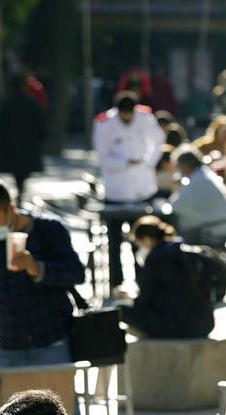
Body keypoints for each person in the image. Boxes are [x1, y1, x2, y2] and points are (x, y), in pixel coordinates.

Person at [0, 178, 86, 368]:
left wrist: (37, 268)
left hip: (52, 341)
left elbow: (76, 273)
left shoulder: (49, 229)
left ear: (11, 209)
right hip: (10, 345)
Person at [92, 91, 166, 288]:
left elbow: (159, 140)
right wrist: (126, 162)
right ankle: (116, 283)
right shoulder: (104, 123)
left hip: (141, 189)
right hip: (116, 190)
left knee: (142, 239)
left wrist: (149, 162)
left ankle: (143, 282)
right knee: (114, 242)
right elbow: (102, 156)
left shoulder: (145, 118)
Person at [119, 216, 215, 339]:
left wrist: (130, 297)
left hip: (178, 326)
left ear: (147, 240)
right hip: (205, 324)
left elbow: (143, 302)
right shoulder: (188, 252)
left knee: (120, 310)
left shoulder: (156, 260)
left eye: (139, 244)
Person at [0, 76, 46, 199]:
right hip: (27, 142)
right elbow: (39, 123)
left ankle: (19, 188)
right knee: (22, 169)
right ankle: (20, 188)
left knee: (17, 169)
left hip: (11, 142)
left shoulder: (7, 103)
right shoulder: (30, 103)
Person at [169, 149, 226, 247]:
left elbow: (175, 206)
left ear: (185, 165)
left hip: (211, 232)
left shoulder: (197, 180)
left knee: (174, 241)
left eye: (178, 166)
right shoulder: (204, 175)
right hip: (220, 228)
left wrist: (176, 188)